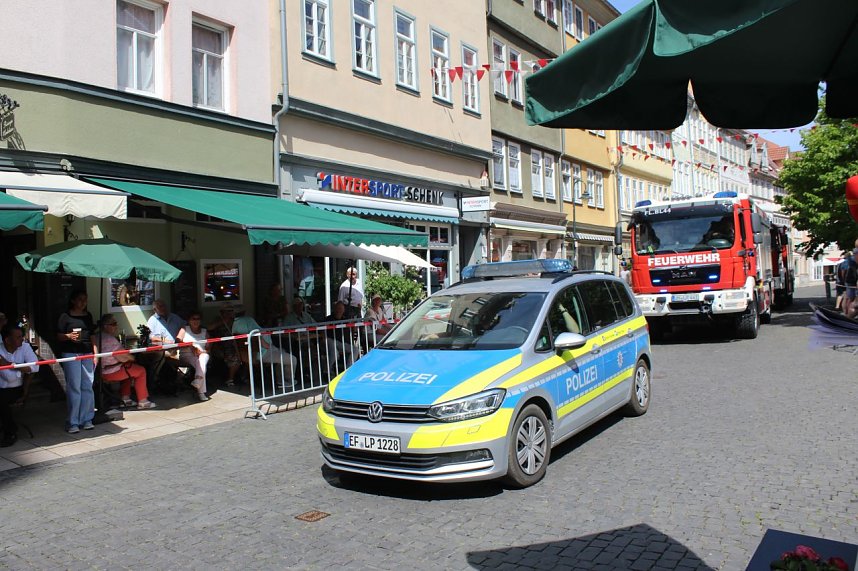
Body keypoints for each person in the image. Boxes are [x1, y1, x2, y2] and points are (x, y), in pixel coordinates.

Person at [57, 290, 98, 433]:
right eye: (80, 299)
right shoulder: (65, 316)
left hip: (86, 352)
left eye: (85, 300)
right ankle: (73, 421)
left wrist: (96, 353)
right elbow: (58, 335)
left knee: (87, 385)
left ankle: (87, 418)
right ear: (73, 301)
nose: (83, 302)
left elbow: (92, 335)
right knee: (74, 386)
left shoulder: (88, 316)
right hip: (70, 353)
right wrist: (68, 336)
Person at [97, 314, 156, 410]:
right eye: (113, 324)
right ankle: (143, 401)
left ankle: (126, 398)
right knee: (141, 370)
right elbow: (123, 357)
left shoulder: (97, 337)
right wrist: (133, 358)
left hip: (101, 371)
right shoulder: (110, 340)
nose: (116, 326)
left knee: (130, 368)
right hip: (111, 372)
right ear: (105, 326)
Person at [231, 305, 297, 378]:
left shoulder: (234, 325)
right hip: (261, 354)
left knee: (282, 352)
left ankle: (280, 379)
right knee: (292, 359)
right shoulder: (249, 321)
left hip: (245, 355)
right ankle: (288, 381)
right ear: (244, 312)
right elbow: (265, 345)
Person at [0, 324, 38, 447]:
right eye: (18, 337)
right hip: (1, 388)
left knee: (1, 401)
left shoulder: (25, 347)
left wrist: (10, 364)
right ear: (7, 340)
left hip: (16, 389)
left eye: (22, 336)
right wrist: (21, 368)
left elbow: (35, 367)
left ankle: (10, 432)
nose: (22, 339)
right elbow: (9, 376)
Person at [207, 304, 243, 387]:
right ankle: (230, 379)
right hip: (221, 345)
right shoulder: (218, 320)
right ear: (221, 312)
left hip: (237, 344)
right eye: (226, 311)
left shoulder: (235, 320)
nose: (229, 313)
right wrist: (222, 321)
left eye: (231, 310)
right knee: (235, 357)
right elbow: (209, 327)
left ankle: (244, 376)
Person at [177, 311, 210, 402]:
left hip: (201, 355)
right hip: (187, 355)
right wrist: (189, 346)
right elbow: (178, 341)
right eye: (193, 319)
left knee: (202, 358)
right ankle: (201, 391)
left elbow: (209, 348)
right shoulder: (184, 329)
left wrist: (202, 352)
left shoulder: (204, 331)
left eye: (198, 319)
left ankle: (198, 380)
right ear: (189, 320)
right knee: (199, 362)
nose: (196, 321)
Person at [324, 301, 360, 369]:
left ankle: (348, 370)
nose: (339, 310)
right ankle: (327, 370)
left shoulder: (345, 319)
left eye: (341, 309)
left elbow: (353, 329)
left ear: (343, 310)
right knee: (334, 354)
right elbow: (322, 330)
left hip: (342, 343)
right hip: (330, 340)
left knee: (355, 350)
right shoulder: (328, 319)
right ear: (334, 309)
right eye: (337, 308)